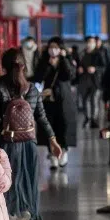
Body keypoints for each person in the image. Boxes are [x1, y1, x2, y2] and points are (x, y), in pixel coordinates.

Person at [0, 48, 62, 220]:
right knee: (26, 182)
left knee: (4, 183)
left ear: (4, 67)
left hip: (6, 145)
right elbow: (41, 118)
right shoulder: (33, 89)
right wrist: (53, 140)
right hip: (28, 144)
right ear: (24, 66)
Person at [34, 37, 78, 169]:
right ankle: (52, 154)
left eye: (56, 47)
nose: (53, 50)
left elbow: (70, 75)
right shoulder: (43, 61)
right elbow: (38, 77)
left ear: (61, 49)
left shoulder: (66, 60)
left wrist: (63, 60)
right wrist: (48, 65)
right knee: (49, 127)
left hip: (64, 100)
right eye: (51, 47)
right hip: (48, 100)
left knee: (63, 126)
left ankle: (63, 151)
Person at [78, 36, 104, 128]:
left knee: (94, 100)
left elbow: (104, 67)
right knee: (85, 101)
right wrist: (79, 69)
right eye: (88, 42)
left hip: (95, 81)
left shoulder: (98, 54)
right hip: (84, 80)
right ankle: (87, 118)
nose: (90, 44)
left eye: (92, 42)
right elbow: (78, 64)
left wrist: (95, 69)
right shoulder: (82, 54)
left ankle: (94, 119)